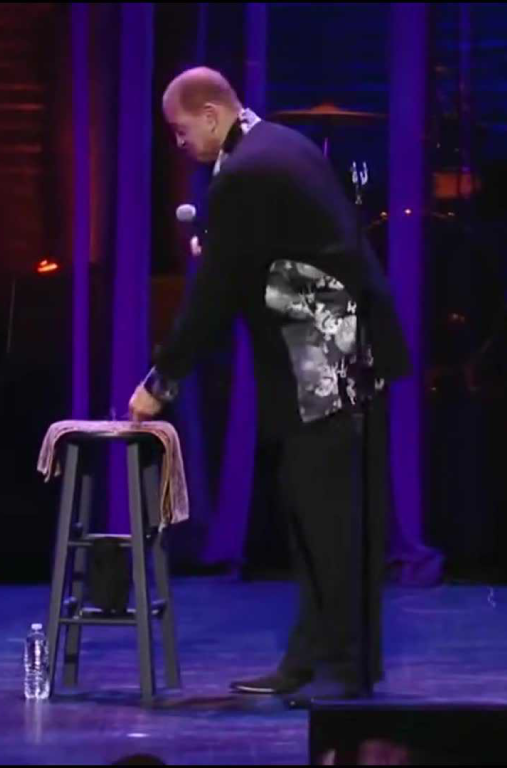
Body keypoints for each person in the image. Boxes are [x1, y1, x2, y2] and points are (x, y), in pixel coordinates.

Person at [129, 67, 410, 705]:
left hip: (328, 355)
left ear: (210, 114)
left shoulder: (248, 170)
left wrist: (162, 378)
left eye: (181, 130)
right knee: (317, 510)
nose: (180, 144)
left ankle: (338, 666)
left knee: (326, 515)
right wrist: (230, 256)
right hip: (337, 347)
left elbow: (215, 295)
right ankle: (318, 657)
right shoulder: (280, 145)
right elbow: (275, 252)